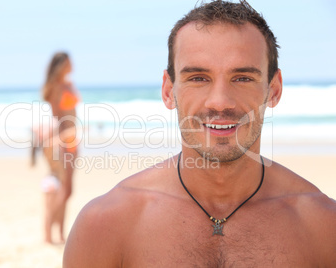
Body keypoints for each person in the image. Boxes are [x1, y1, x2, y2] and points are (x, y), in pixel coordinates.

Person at [63, 1, 336, 266]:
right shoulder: (106, 225)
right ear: (168, 91)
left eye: (242, 78)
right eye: (198, 78)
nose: (219, 102)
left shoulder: (324, 227)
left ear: (273, 90)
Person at [32, 52, 80, 244]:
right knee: (59, 187)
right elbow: (56, 117)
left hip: (72, 138)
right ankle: (48, 233)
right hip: (61, 139)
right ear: (60, 65)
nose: (72, 65)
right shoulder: (54, 87)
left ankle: (60, 234)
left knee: (68, 190)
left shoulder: (69, 85)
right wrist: (55, 140)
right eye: (68, 63)